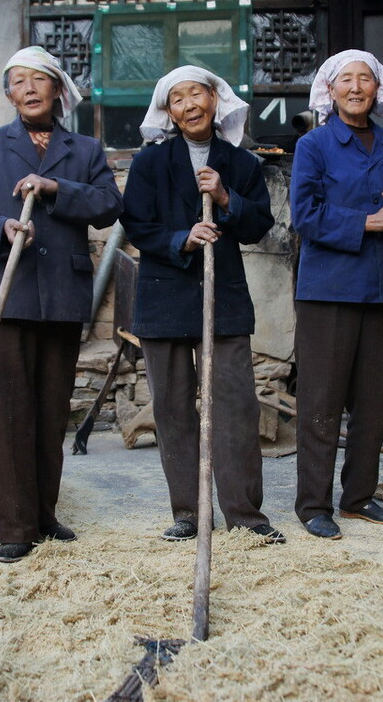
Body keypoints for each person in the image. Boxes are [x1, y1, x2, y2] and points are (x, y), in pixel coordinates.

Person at [0, 46, 122, 563]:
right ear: (9, 95)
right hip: (8, 292)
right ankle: (14, 526)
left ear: (56, 91)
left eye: (38, 80)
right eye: (17, 81)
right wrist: (0, 228)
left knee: (51, 411)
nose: (27, 89)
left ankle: (45, 514)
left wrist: (54, 187)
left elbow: (108, 206)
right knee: (6, 412)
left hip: (63, 296)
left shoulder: (85, 150)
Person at [121, 65, 284, 544]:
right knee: (173, 409)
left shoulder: (242, 163)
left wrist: (225, 195)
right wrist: (182, 239)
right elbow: (137, 227)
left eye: (198, 94)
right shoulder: (150, 164)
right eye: (178, 99)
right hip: (164, 300)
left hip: (224, 300)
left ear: (216, 100)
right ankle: (190, 514)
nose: (189, 105)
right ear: (168, 112)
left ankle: (246, 517)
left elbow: (258, 226)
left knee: (235, 407)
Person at [290, 49, 383, 540]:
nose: (355, 87)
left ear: (378, 90)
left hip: (382, 291)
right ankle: (313, 503)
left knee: (373, 403)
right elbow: (304, 215)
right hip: (328, 291)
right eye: (345, 80)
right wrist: (371, 220)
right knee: (322, 401)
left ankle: (358, 496)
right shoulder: (316, 146)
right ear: (330, 91)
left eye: (364, 79)